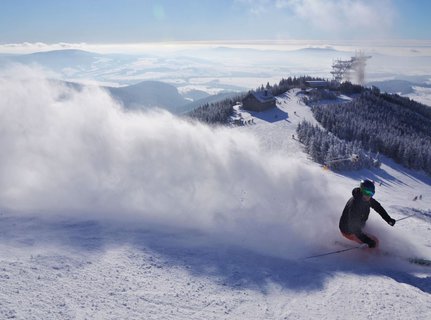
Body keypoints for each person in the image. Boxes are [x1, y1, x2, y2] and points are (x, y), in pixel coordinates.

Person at [339, 179, 396, 248]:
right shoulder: (354, 204)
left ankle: (370, 248)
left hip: (357, 227)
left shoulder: (367, 199)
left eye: (371, 194)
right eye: (366, 192)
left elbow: (378, 208)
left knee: (374, 239)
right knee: (375, 241)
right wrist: (367, 240)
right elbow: (353, 227)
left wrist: (388, 219)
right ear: (361, 190)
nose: (368, 196)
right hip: (348, 231)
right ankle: (370, 256)